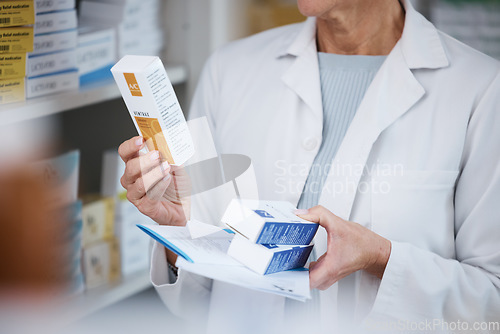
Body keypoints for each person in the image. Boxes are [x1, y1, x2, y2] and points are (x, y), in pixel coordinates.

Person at [118, 0, 500, 333]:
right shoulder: (229, 71)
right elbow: (196, 303)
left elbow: (492, 304)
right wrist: (178, 230)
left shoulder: (479, 89)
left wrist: (383, 258)